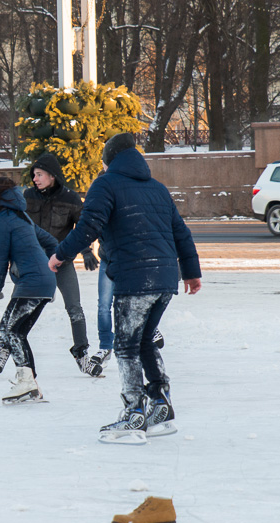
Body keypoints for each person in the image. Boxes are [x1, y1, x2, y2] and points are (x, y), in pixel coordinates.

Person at [49, 133, 202, 443]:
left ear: (110, 160)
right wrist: (191, 272)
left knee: (126, 347)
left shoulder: (106, 185)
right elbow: (181, 233)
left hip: (135, 278)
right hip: (164, 280)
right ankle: (161, 405)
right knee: (145, 340)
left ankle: (134, 413)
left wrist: (60, 254)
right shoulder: (157, 188)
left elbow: (88, 226)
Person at [0, 153, 102, 378]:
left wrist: (85, 251)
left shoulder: (71, 199)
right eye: (33, 174)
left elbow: (81, 228)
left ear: (52, 176)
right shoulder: (27, 197)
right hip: (32, 266)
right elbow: (19, 227)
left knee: (75, 308)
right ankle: (5, 348)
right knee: (17, 308)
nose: (35, 178)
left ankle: (82, 355)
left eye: (39, 174)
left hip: (61, 261)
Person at [0, 176, 57, 404]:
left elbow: (0, 258)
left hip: (33, 283)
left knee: (13, 333)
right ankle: (27, 380)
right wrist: (53, 265)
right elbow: (51, 242)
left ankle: (26, 382)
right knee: (9, 329)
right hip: (39, 282)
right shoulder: (21, 216)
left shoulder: (3, 219)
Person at [87, 240, 165, 372]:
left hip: (130, 259)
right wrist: (85, 251)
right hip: (108, 258)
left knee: (135, 298)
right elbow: (89, 227)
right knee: (104, 305)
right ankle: (105, 347)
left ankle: (150, 327)